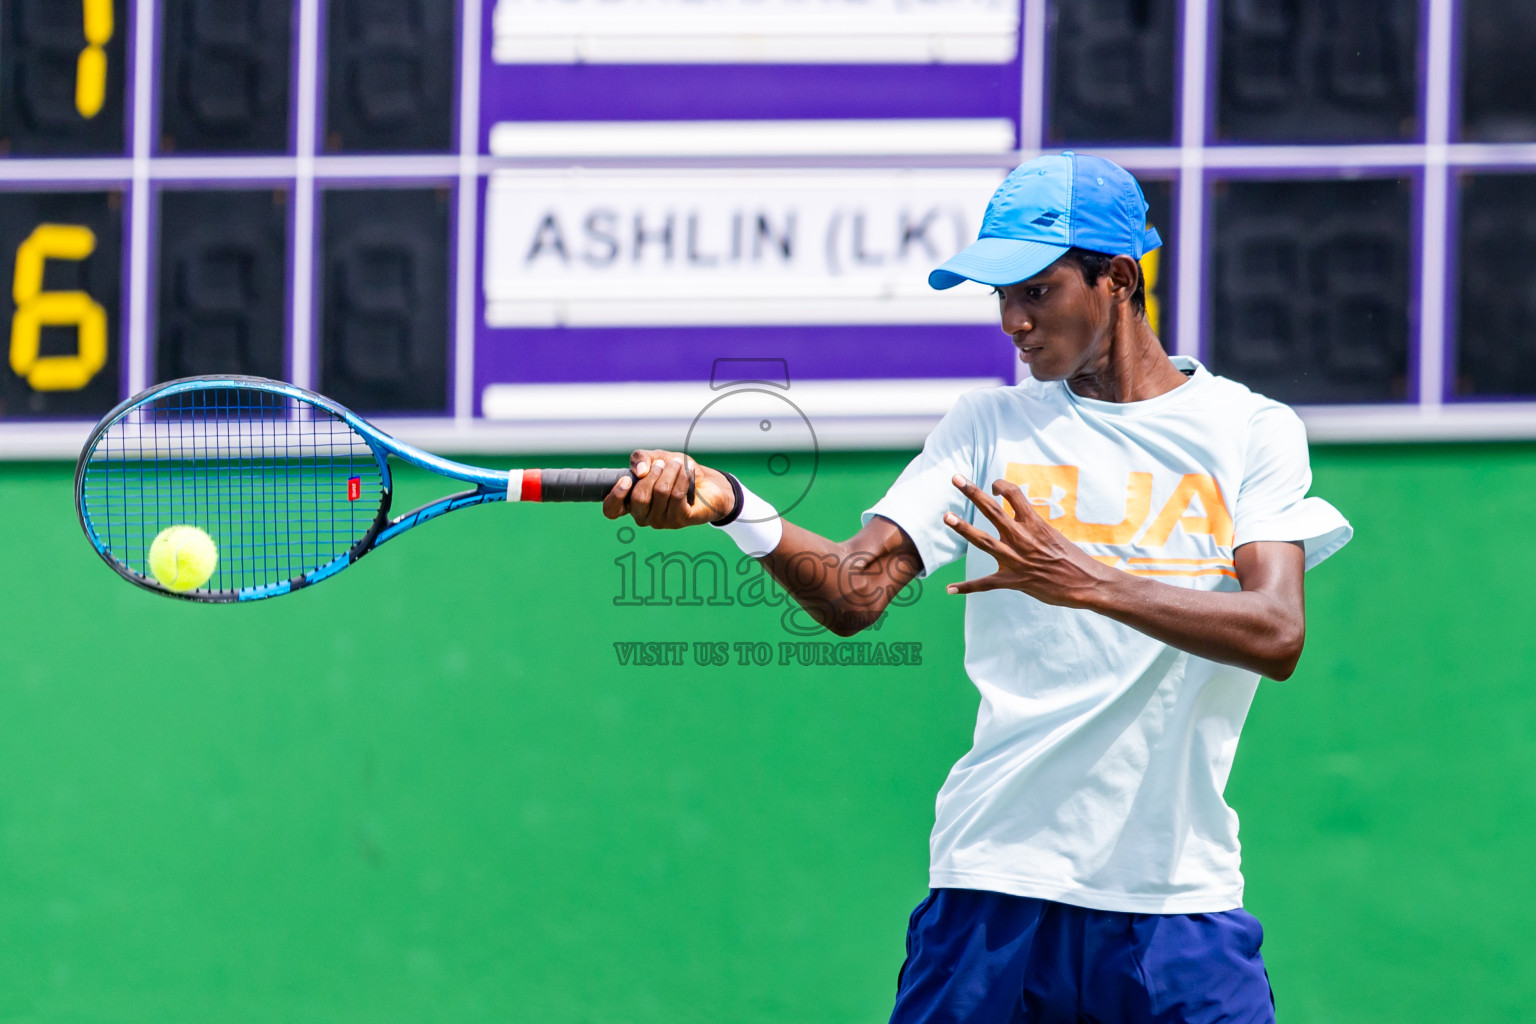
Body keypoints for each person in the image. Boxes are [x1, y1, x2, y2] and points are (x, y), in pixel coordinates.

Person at [602, 151, 1351, 1023]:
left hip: (1177, 903)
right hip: (995, 888)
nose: (1012, 322)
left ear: (1116, 279)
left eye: (1035, 291)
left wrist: (1088, 582)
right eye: (1000, 297)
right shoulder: (984, 428)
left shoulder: (1249, 431)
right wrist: (737, 508)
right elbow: (855, 591)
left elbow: (1276, 631)